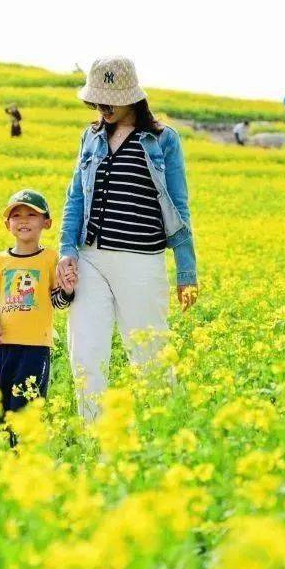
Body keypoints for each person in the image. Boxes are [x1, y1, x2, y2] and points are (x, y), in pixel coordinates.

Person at [57, 56, 198, 422]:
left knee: (150, 356)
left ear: (131, 97)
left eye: (109, 100)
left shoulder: (163, 140)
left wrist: (186, 272)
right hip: (90, 259)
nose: (101, 107)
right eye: (96, 100)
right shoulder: (90, 137)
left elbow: (179, 206)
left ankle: (161, 437)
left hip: (141, 261)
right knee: (86, 356)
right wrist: (67, 251)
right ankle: (96, 442)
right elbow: (75, 197)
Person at [0, 189, 74, 442]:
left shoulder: (51, 258)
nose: (23, 220)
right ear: (7, 225)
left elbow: (57, 302)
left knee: (25, 411)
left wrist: (67, 291)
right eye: (16, 215)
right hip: (2, 350)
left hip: (35, 349)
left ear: (47, 222)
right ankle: (3, 459)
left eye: (31, 214)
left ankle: (23, 460)